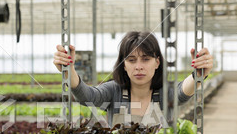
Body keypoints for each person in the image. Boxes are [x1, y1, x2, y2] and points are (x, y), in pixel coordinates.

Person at [53, 31, 213, 127]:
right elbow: (87, 96)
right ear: (123, 65)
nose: (138, 66)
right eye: (131, 60)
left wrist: (198, 75)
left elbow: (181, 92)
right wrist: (69, 70)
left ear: (157, 62)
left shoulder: (165, 93)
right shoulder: (113, 91)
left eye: (145, 59)